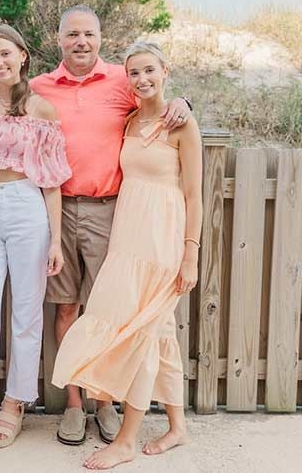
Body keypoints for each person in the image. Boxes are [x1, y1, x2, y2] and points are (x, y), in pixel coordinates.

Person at [0, 4, 193, 446]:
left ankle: (104, 401)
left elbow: (156, 99)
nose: (81, 42)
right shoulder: (39, 88)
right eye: (72, 35)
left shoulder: (119, 80)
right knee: (66, 308)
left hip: (109, 208)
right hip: (52, 207)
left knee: (108, 307)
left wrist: (185, 101)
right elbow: (0, 90)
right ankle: (74, 403)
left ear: (100, 37)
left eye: (88, 34)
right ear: (57, 40)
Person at [52, 41, 201, 470]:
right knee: (159, 331)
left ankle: (127, 439)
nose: (142, 79)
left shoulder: (182, 125)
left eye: (150, 70)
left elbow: (194, 194)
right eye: (134, 73)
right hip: (127, 236)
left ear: (165, 70)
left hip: (161, 240)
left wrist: (189, 255)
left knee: (140, 331)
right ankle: (177, 427)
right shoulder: (131, 120)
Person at [0, 25, 71, 473]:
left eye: (5, 54)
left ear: (23, 56)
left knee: (26, 312)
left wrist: (56, 239)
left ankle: (15, 402)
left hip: (27, 206)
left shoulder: (42, 109)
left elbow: (53, 181)